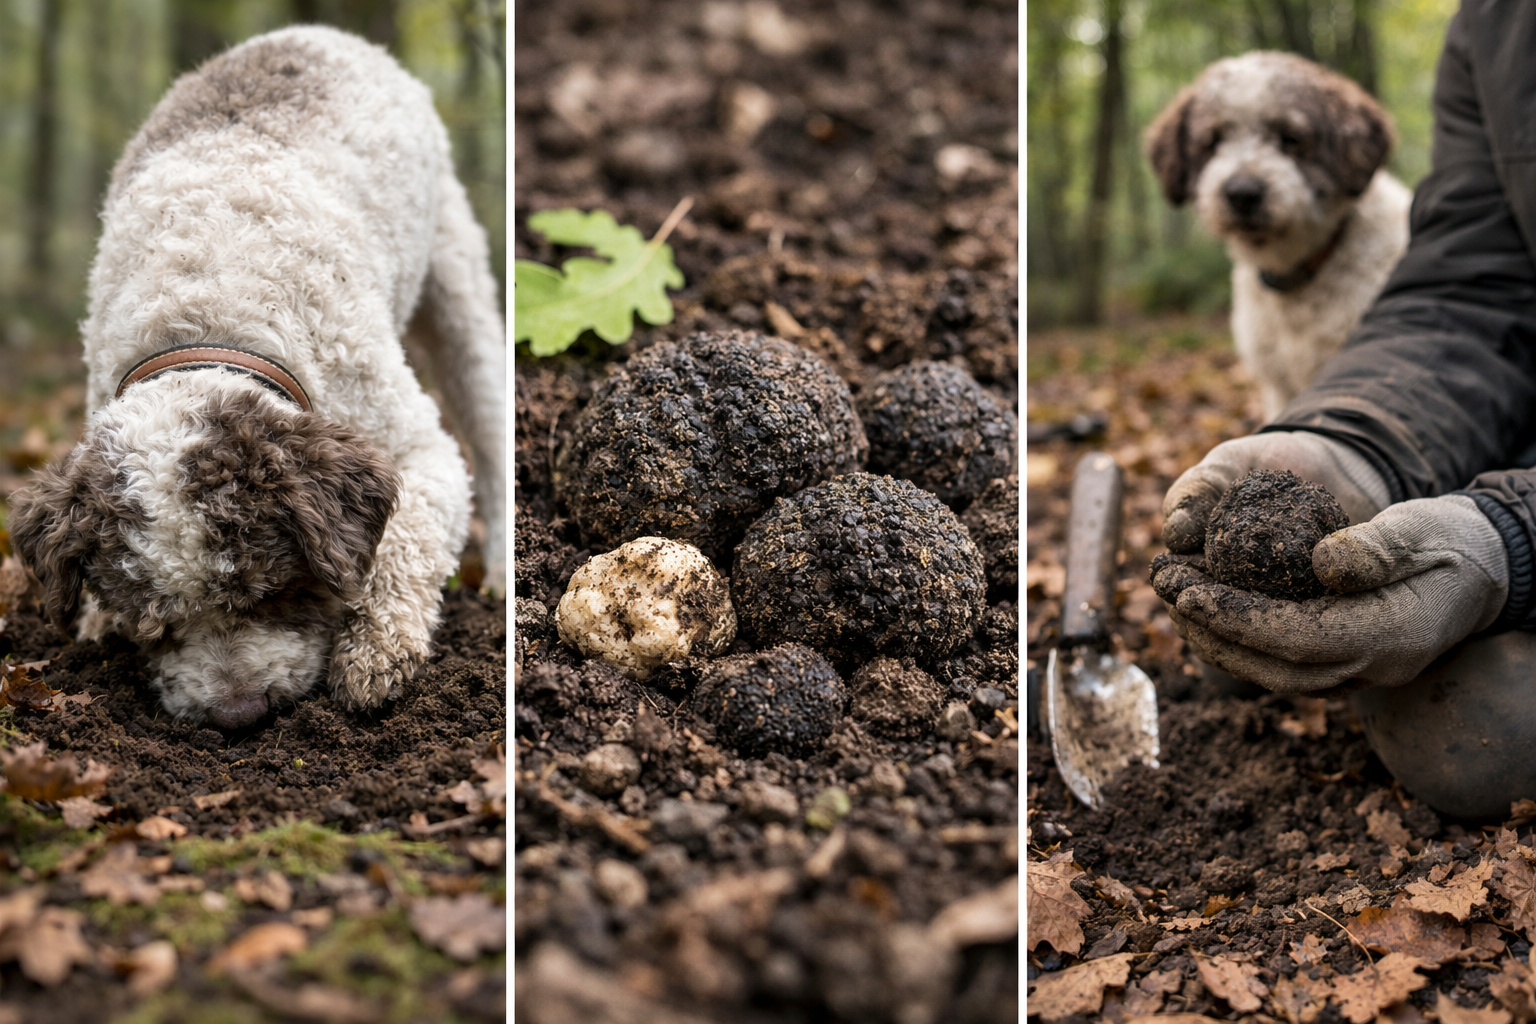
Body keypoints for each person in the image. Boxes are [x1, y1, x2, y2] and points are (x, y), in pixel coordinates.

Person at [1152, 3, 1536, 819]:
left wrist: (1514, 539)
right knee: (1235, 634)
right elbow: (1475, 287)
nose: (1246, 172)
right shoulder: (1495, 22)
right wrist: (1351, 439)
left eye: (1288, 141)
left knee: (1480, 734)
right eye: (1218, 143)